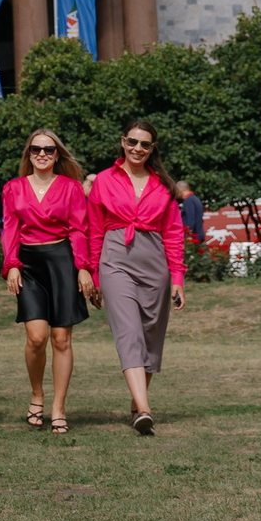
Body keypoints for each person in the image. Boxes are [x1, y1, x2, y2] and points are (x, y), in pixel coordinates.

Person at [80, 119, 188, 436]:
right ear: (122, 142)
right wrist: (95, 277)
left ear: (152, 148)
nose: (137, 148)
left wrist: (178, 277)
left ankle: (135, 403)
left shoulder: (164, 186)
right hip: (115, 258)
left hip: (156, 262)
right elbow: (94, 230)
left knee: (151, 335)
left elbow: (173, 234)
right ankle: (144, 410)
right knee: (129, 332)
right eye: (132, 142)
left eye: (144, 144)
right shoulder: (102, 180)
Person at [2, 126, 88, 435]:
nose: (42, 154)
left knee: (61, 339)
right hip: (29, 265)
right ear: (28, 154)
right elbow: (10, 228)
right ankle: (37, 394)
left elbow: (79, 229)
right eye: (36, 149)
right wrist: (11, 264)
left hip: (63, 263)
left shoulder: (71, 187)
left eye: (48, 150)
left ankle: (58, 408)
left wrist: (83, 267)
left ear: (57, 155)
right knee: (36, 337)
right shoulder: (13, 188)